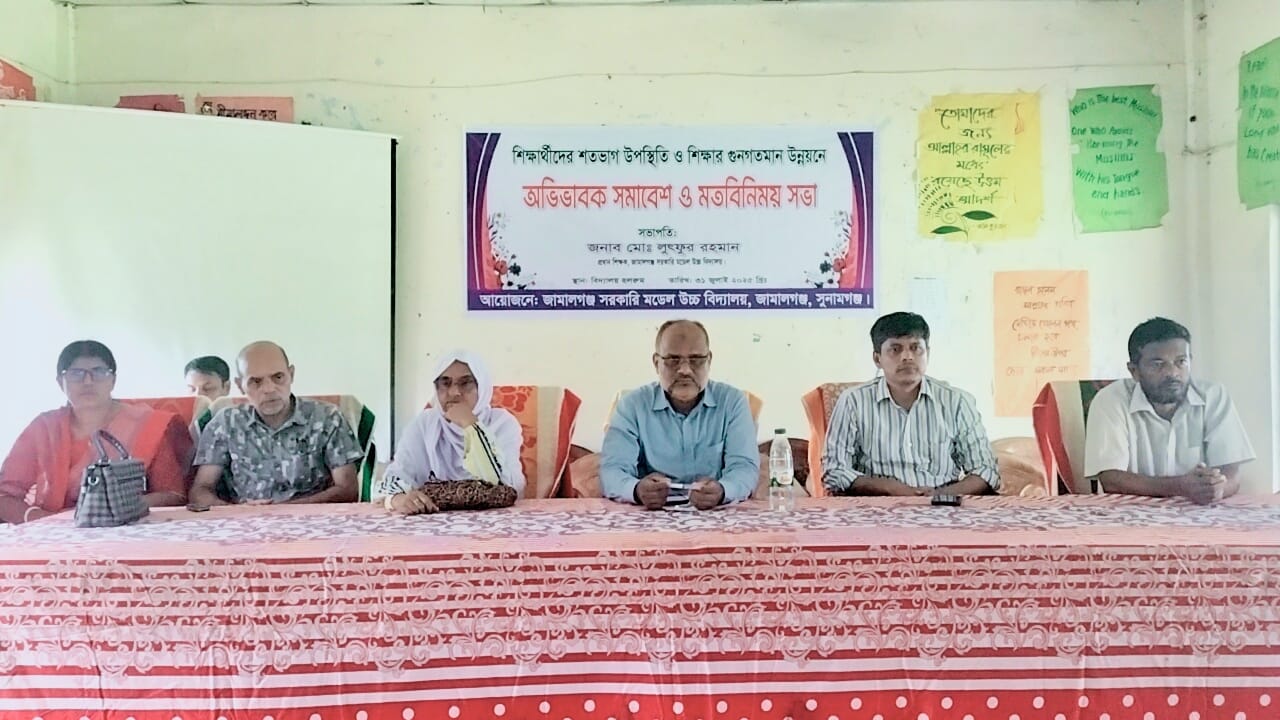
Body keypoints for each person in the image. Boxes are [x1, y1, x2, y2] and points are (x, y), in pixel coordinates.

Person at [0, 341, 193, 524]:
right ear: (60, 382)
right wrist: (44, 521)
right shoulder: (44, 427)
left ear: (113, 380)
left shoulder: (148, 425)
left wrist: (113, 511)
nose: (88, 381)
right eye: (76, 373)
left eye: (99, 372)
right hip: (54, 529)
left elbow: (172, 494)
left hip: (126, 526)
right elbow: (5, 495)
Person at [823, 312, 1000, 496]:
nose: (907, 357)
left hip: (943, 505)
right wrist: (890, 488)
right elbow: (834, 470)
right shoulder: (853, 401)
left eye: (916, 348)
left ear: (928, 353)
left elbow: (986, 471)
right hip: (877, 505)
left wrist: (940, 495)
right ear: (877, 359)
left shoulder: (957, 402)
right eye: (895, 349)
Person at [1084, 317, 1254, 504]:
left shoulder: (1213, 396)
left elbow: (1232, 474)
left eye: (1181, 362)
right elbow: (1111, 480)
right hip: (1131, 512)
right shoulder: (1110, 400)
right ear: (1134, 371)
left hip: (1198, 511)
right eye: (1158, 364)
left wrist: (1216, 488)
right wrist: (1180, 486)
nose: (1172, 373)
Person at [601, 320, 759, 510]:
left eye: (696, 359)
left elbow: (744, 467)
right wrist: (636, 490)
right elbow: (612, 470)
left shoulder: (732, 402)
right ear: (656, 363)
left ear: (709, 360)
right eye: (673, 360)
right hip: (650, 514)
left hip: (715, 512)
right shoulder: (632, 405)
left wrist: (723, 490)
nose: (684, 370)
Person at [188, 341, 364, 506]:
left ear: (291, 375)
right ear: (240, 385)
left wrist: (283, 510)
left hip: (312, 518)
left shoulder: (327, 418)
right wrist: (237, 512)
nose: (269, 389)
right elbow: (200, 491)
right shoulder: (225, 423)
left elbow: (348, 490)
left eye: (278, 377)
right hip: (245, 520)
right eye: (255, 381)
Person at [377, 351, 526, 515]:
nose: (454, 392)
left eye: (466, 383)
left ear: (481, 386)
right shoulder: (424, 424)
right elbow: (395, 477)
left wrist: (472, 427)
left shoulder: (502, 423)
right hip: (432, 520)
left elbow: (508, 486)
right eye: (445, 383)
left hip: (495, 519)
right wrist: (398, 499)